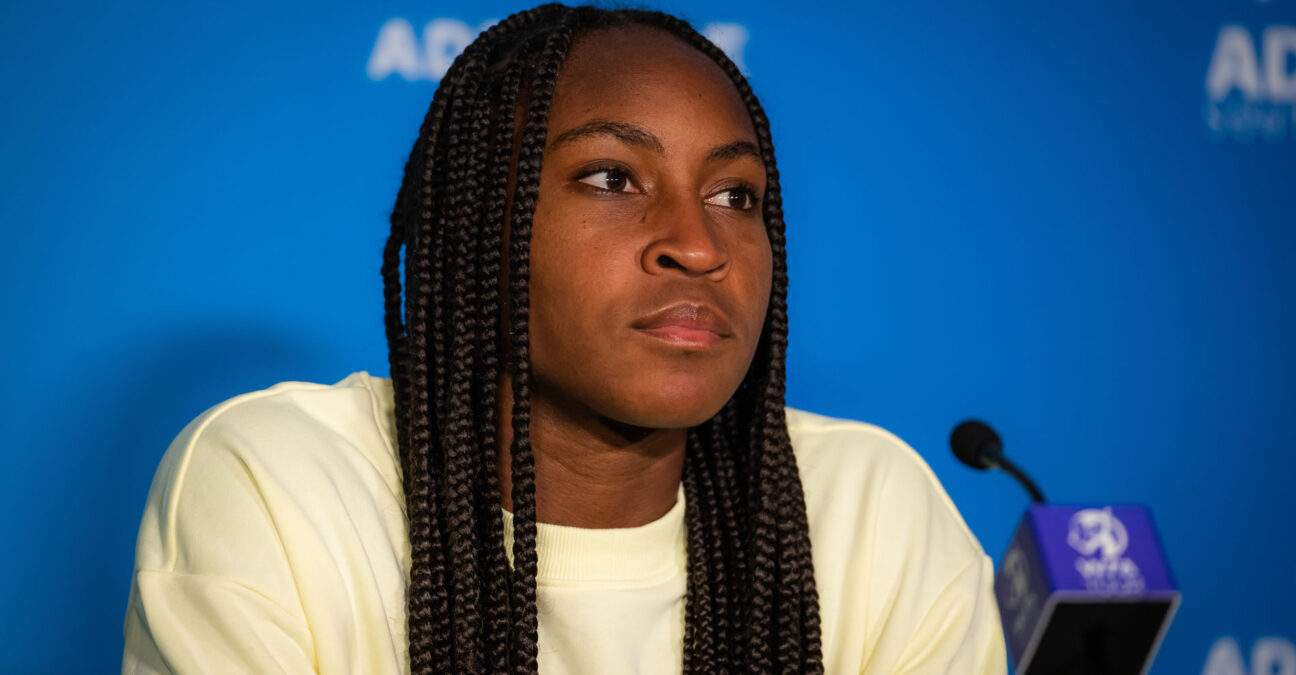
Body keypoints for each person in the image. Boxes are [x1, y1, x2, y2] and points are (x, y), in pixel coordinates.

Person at [122, 4, 1007, 673]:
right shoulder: (278, 489)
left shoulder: (869, 510)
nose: (698, 244)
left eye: (735, 195)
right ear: (478, 223)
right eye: (612, 177)